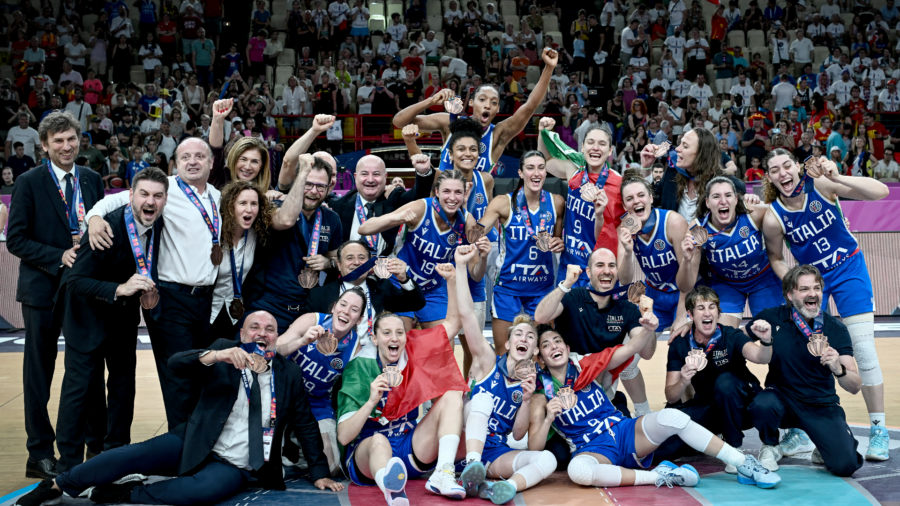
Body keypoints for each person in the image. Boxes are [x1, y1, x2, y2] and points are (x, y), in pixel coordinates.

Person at [13, 312, 343, 506]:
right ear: (242, 333)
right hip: (196, 438)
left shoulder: (288, 374)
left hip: (240, 462)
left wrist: (319, 473)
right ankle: (57, 486)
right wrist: (215, 356)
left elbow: (305, 423)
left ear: (276, 337)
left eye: (270, 329)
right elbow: (176, 365)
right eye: (254, 327)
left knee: (203, 491)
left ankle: (130, 492)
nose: (262, 333)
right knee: (129, 455)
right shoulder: (223, 351)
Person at [527, 312, 781, 490]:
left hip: (623, 432)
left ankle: (744, 463)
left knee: (674, 417)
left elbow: (626, 351)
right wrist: (549, 416)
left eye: (557, 341)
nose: (553, 346)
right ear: (540, 357)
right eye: (546, 345)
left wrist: (648, 330)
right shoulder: (542, 394)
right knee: (577, 471)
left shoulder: (584, 366)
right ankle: (659, 476)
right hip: (591, 448)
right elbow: (535, 447)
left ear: (567, 347)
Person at [761, 148, 891, 461]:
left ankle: (878, 429)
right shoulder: (773, 216)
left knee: (861, 349)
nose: (783, 173)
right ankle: (805, 430)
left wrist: (838, 177)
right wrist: (793, 285)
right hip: (812, 284)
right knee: (811, 353)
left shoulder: (820, 185)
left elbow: (881, 192)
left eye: (787, 165)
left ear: (797, 167)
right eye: (775, 169)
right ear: (768, 177)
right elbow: (776, 257)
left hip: (848, 270)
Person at [7, 111, 106, 479]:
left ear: (80, 140)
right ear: (45, 145)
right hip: (43, 290)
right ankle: (39, 452)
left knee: (90, 368)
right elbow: (15, 238)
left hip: (83, 291)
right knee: (39, 373)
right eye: (58, 141)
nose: (66, 146)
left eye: (71, 139)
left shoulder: (92, 179)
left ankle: (96, 443)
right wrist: (57, 256)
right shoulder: (29, 182)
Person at [53, 168, 168, 473]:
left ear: (165, 200)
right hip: (85, 317)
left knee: (122, 389)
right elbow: (75, 280)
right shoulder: (106, 228)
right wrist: (119, 289)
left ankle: (115, 458)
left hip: (122, 320)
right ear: (130, 197)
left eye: (157, 196)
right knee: (79, 392)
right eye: (144, 194)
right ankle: (67, 467)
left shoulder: (161, 226)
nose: (150, 201)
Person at [336, 261, 469, 505]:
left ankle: (443, 472)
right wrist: (372, 401)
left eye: (399, 332)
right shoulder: (360, 367)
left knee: (452, 394)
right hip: (368, 456)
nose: (394, 338)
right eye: (386, 333)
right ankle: (393, 492)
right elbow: (344, 437)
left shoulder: (413, 348)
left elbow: (453, 324)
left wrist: (451, 281)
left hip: (409, 447)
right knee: (379, 441)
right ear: (374, 339)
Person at [452, 248, 557, 504]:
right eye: (518, 334)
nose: (524, 338)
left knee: (548, 459)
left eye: (530, 337)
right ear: (508, 344)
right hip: (463, 443)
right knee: (482, 400)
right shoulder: (487, 362)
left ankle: (503, 488)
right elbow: (466, 315)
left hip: (495, 452)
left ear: (533, 351)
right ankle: (472, 466)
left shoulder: (529, 384)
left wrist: (526, 400)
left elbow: (518, 435)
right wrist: (461, 266)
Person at [746, 264, 865, 476]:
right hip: (782, 399)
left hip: (821, 405)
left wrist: (838, 368)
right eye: (804, 289)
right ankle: (770, 445)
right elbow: (735, 340)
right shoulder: (772, 318)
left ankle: (825, 443)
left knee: (845, 466)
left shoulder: (835, 329)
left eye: (817, 288)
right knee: (762, 403)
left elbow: (855, 386)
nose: (812, 294)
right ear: (790, 294)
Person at [358, 163, 487, 331]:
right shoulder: (421, 208)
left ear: (465, 195)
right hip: (402, 283)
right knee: (400, 337)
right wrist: (397, 218)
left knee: (441, 344)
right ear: (437, 192)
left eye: (458, 192)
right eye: (447, 191)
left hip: (433, 289)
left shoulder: (468, 222)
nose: (452, 198)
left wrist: (483, 257)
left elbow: (476, 275)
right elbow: (364, 228)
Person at [656, 285, 771, 471]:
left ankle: (734, 449)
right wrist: (683, 381)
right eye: (700, 308)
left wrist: (766, 341)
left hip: (745, 406)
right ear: (691, 315)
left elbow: (760, 357)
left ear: (719, 313)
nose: (707, 312)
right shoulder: (680, 343)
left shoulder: (731, 335)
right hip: (712, 407)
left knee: (725, 381)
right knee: (663, 447)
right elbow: (671, 396)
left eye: (712, 307)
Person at [393, 47, 559, 176]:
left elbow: (530, 105)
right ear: (471, 103)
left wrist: (549, 69)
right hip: (442, 207)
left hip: (475, 212)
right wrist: (430, 100)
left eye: (493, 102)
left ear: (498, 109)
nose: (487, 105)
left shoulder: (499, 134)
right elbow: (399, 122)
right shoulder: (450, 122)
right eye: (482, 100)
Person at [467, 151, 565, 355]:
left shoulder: (556, 203)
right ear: (521, 173)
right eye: (530, 168)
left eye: (541, 167)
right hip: (508, 288)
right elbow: (475, 233)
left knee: (541, 356)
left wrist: (558, 242)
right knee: (504, 354)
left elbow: (558, 240)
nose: (536, 173)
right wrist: (466, 213)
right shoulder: (503, 203)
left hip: (542, 289)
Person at [242, 154, 340, 333]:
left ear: (328, 188)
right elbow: (286, 220)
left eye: (320, 186)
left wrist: (329, 263)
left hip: (307, 310)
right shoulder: (273, 206)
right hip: (268, 305)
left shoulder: (332, 219)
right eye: (308, 184)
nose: (313, 191)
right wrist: (302, 173)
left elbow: (335, 258)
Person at [276, 286, 367, 476]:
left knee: (331, 469)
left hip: (316, 403)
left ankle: (296, 451)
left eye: (354, 309)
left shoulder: (356, 348)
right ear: (334, 307)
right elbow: (273, 352)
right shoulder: (312, 320)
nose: (346, 311)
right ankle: (289, 445)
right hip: (283, 395)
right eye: (343, 304)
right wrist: (301, 342)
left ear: (359, 320)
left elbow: (355, 390)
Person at [675, 177, 783, 329]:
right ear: (707, 203)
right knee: (721, 337)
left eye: (728, 195)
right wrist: (686, 260)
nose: (723, 201)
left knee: (775, 332)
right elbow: (686, 284)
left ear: (736, 199)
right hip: (726, 284)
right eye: (716, 196)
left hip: (763, 279)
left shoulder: (754, 214)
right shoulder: (698, 229)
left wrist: (758, 200)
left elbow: (785, 213)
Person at [536, 119, 624, 285]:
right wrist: (542, 133)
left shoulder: (619, 183)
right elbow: (545, 163)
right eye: (590, 142)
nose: (595, 147)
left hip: (598, 271)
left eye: (602, 144)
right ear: (582, 147)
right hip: (568, 267)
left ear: (610, 150)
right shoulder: (574, 170)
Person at [617, 174, 694, 336]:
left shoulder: (673, 222)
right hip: (654, 294)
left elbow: (688, 275)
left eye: (641, 195)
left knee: (682, 342)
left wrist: (681, 315)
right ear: (625, 206)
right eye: (629, 199)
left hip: (681, 294)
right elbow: (624, 279)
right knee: (639, 344)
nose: (636, 201)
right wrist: (628, 252)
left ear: (651, 198)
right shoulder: (624, 229)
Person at [306, 240, 425, 341]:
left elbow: (417, 303)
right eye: (350, 258)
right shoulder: (318, 295)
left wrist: (403, 278)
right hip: (334, 355)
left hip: (373, 355)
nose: (357, 262)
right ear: (339, 264)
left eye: (362, 258)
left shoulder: (382, 287)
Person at [325, 151, 434, 258]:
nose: (370, 179)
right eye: (364, 174)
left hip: (387, 272)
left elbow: (419, 197)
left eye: (376, 174)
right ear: (355, 176)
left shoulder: (394, 198)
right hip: (350, 272)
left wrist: (423, 173)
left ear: (385, 176)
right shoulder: (339, 205)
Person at [208, 180, 271, 341]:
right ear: (230, 206)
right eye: (242, 203)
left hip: (235, 312)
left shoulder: (256, 235)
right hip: (207, 311)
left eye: (254, 204)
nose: (249, 209)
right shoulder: (214, 234)